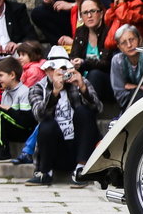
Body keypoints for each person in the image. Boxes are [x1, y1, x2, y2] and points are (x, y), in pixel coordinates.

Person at [27, 45, 102, 187]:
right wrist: (54, 92)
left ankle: (81, 170)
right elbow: (39, 115)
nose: (61, 73)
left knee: (84, 112)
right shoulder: (37, 88)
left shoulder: (79, 82)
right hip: (55, 149)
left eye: (63, 69)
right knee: (47, 124)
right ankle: (45, 172)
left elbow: (98, 108)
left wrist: (82, 88)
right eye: (56, 70)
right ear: (47, 70)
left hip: (79, 147)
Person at [0, 57, 35, 162]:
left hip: (23, 130)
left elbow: (27, 121)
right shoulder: (5, 92)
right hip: (11, 126)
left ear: (12, 75)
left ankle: (2, 150)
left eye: (0, 76)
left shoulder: (24, 92)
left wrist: (9, 109)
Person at [69, 0, 114, 103]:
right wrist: (74, 61)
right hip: (83, 80)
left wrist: (84, 63)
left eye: (93, 11)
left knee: (94, 74)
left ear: (101, 13)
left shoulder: (109, 32)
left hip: (106, 82)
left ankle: (91, 106)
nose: (89, 16)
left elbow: (106, 64)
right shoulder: (80, 32)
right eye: (85, 13)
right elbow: (74, 55)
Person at [110, 24, 143, 110]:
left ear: (140, 40)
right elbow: (119, 93)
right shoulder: (117, 61)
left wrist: (132, 87)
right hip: (128, 105)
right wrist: (142, 88)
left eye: (132, 40)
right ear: (119, 47)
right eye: (124, 43)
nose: (129, 45)